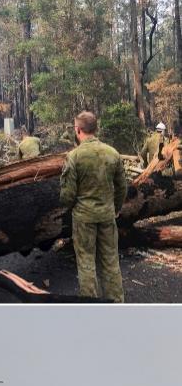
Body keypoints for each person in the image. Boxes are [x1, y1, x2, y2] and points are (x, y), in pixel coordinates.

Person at [60, 111, 126, 302]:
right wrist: (115, 208)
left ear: (77, 129)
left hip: (83, 219)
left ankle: (90, 309)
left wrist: (72, 207)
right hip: (107, 216)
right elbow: (122, 186)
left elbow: (67, 196)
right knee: (111, 262)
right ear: (95, 128)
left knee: (86, 262)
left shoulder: (74, 156)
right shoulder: (113, 153)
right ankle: (116, 306)